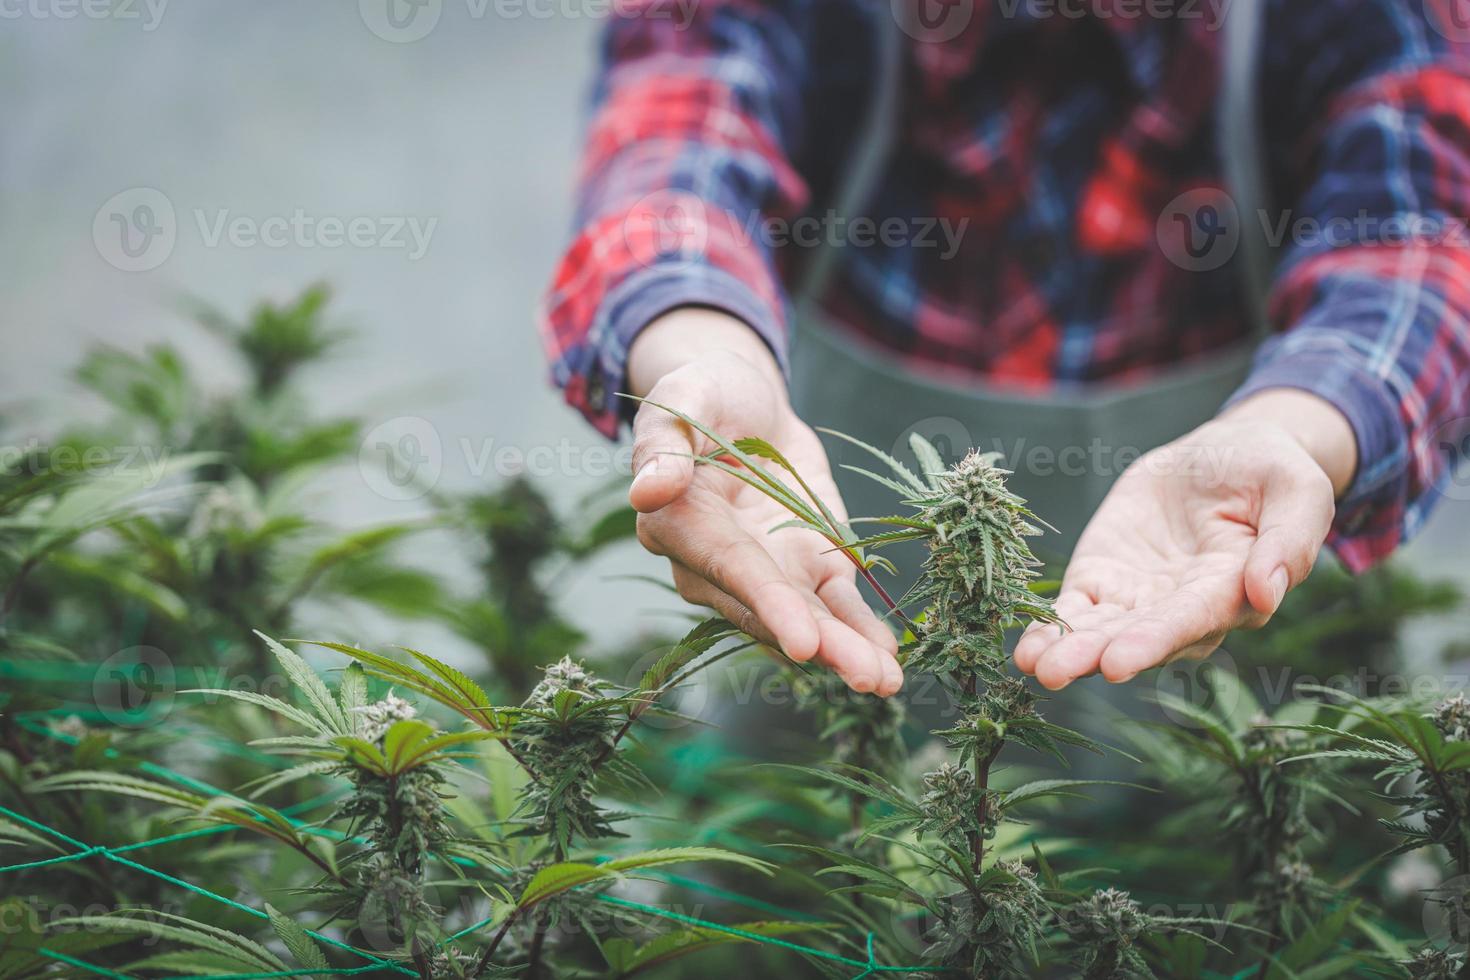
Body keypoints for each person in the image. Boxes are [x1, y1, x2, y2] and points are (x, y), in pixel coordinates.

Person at [539, 0, 1470, 699]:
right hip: (820, 683)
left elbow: (1421, 246)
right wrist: (707, 351)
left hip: (1208, 692)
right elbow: (674, 144)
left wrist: (1299, 431)